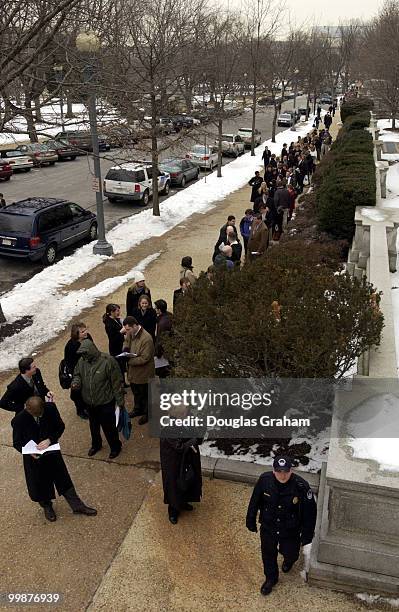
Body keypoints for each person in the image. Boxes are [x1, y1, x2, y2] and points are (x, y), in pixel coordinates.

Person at [11, 396, 97, 522]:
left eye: (41, 414)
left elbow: (60, 427)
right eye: (36, 415)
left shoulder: (50, 408)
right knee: (40, 484)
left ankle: (77, 506)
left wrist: (49, 440)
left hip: (52, 452)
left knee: (63, 479)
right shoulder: (18, 420)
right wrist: (30, 453)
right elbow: (17, 443)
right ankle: (47, 506)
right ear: (28, 409)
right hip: (34, 459)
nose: (39, 416)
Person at [246, 455, 317, 596]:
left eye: (285, 471)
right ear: (273, 471)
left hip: (290, 529)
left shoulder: (301, 486)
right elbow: (255, 501)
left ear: (291, 471)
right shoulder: (264, 480)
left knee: (291, 553)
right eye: (279, 471)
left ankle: (289, 560)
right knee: (268, 553)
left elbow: (310, 513)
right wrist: (250, 519)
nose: (282, 475)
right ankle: (271, 578)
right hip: (269, 525)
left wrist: (307, 536)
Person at [71, 339, 124, 459]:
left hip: (105, 402)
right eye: (82, 354)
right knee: (93, 426)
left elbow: (117, 383)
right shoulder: (82, 361)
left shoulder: (108, 361)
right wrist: (76, 382)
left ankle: (115, 447)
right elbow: (77, 374)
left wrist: (120, 402)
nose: (83, 356)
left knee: (109, 427)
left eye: (85, 353)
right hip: (89, 402)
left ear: (91, 351)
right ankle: (96, 444)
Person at [160, 408, 202, 524]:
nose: (188, 414)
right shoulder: (169, 429)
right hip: (174, 463)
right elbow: (179, 447)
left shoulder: (187, 420)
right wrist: (193, 441)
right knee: (174, 485)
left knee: (186, 481)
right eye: (185, 412)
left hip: (185, 460)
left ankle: (183, 502)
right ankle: (173, 510)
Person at [123, 316, 155, 425]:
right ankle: (138, 409)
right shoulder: (130, 332)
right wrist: (126, 349)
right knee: (136, 393)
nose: (126, 332)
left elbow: (145, 358)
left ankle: (147, 414)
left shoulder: (147, 339)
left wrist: (128, 361)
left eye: (128, 329)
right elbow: (126, 340)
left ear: (135, 326)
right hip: (134, 373)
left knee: (145, 395)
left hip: (144, 374)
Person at [64, 322, 92, 419]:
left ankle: (88, 405)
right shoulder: (70, 346)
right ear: (76, 334)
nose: (85, 332)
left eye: (85, 330)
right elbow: (69, 363)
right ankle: (80, 410)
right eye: (82, 331)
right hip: (78, 372)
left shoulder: (88, 338)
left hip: (89, 369)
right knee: (78, 392)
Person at [102, 304, 126, 382]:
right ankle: (120, 384)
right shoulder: (109, 324)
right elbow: (113, 338)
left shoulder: (115, 319)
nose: (118, 312)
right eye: (117, 311)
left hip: (120, 345)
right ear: (111, 312)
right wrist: (121, 332)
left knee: (122, 365)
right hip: (115, 348)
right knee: (118, 367)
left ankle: (123, 382)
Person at [154, 299, 173, 378]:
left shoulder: (162, 323)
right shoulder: (170, 316)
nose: (154, 309)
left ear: (159, 310)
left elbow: (159, 339)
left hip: (163, 352)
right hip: (170, 348)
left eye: (156, 308)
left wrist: (157, 353)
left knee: (163, 373)